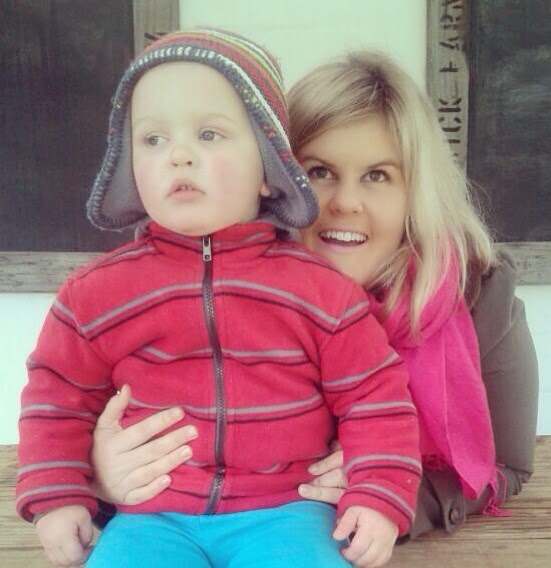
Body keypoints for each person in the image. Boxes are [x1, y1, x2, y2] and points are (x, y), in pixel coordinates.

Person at [88, 49, 539, 541]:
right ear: (274, 177)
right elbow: (74, 413)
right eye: (320, 171)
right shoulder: (176, 288)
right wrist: (100, 478)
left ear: (415, 193)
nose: (345, 202)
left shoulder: (479, 295)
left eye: (377, 175)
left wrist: (398, 495)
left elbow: (507, 465)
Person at [16, 31, 422, 568]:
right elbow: (56, 398)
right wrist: (58, 496)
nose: (179, 155)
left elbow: (375, 398)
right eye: (153, 139)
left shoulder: (323, 292)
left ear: (269, 170)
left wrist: (378, 496)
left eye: (209, 134)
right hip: (150, 517)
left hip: (288, 514)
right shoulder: (94, 294)